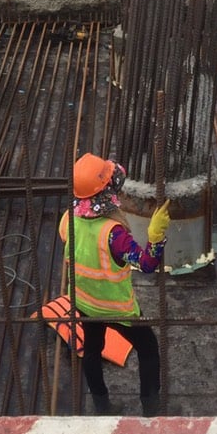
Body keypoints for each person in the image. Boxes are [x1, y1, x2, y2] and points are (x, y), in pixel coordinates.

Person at [60, 153, 170, 416]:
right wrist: (156, 238)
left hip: (84, 303)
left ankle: (101, 403)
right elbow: (146, 264)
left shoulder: (66, 220)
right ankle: (151, 408)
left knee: (92, 350)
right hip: (119, 309)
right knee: (149, 349)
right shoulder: (114, 235)